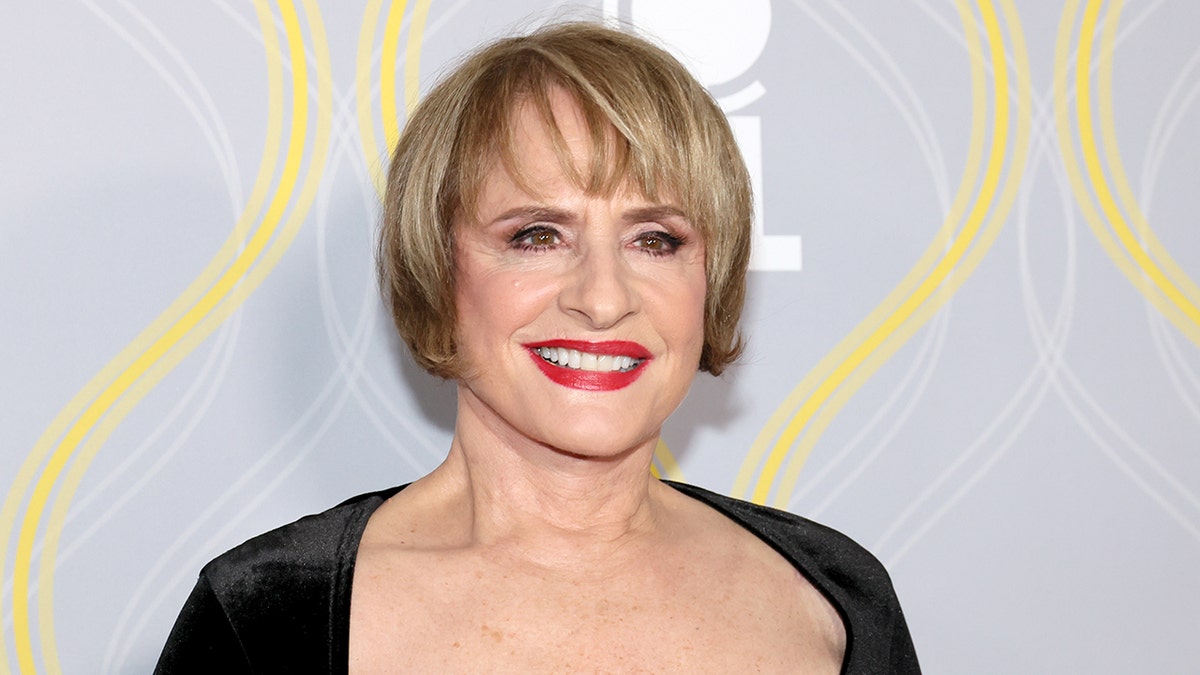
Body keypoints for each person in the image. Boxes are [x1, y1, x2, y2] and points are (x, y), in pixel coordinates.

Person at [155, 21, 919, 674]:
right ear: (439, 266)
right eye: (536, 235)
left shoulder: (833, 597)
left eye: (655, 239)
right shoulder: (271, 612)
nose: (603, 296)